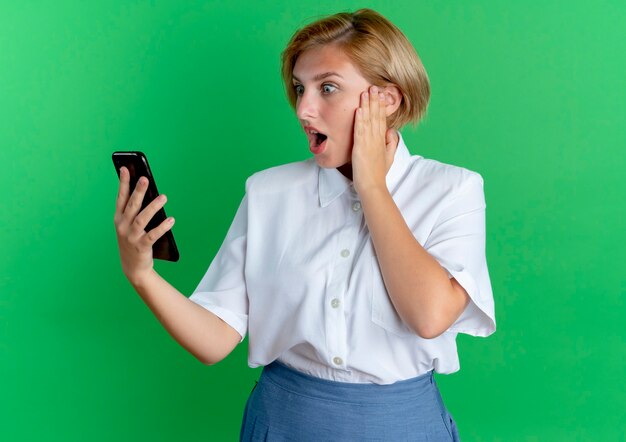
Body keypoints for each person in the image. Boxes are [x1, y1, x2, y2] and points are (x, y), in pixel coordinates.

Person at [114, 8, 496, 441]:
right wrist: (141, 274)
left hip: (402, 425)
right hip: (283, 423)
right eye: (299, 88)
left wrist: (371, 185)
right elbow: (215, 340)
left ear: (388, 99)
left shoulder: (452, 190)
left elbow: (429, 317)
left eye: (327, 87)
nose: (304, 108)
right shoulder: (267, 193)